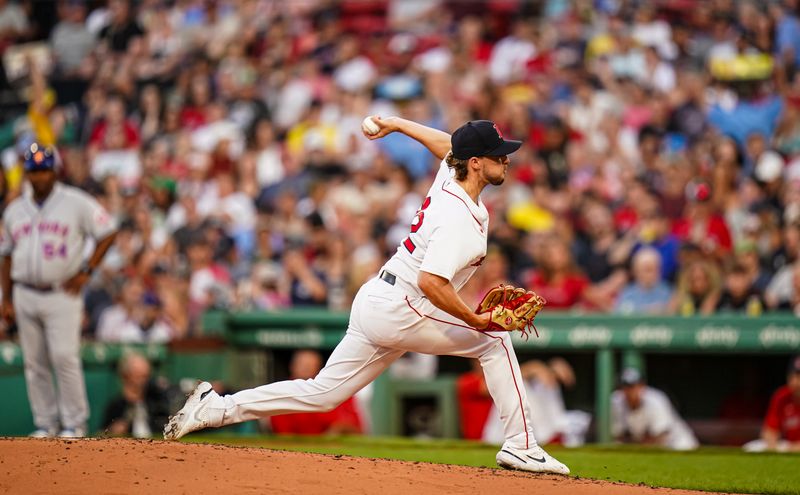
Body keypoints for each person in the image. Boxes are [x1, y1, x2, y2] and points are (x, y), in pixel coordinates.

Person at [164, 117, 570, 475]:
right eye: (499, 155)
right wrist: (475, 320)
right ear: (477, 163)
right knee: (494, 339)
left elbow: (447, 145)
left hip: (379, 298)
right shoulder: (459, 217)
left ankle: (215, 407)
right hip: (405, 305)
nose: (507, 160)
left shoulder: (452, 175)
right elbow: (432, 283)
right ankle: (521, 445)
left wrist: (396, 122)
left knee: (324, 393)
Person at [0, 143, 118, 438]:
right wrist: (7, 297)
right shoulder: (15, 209)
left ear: (54, 171)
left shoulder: (76, 201)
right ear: (26, 174)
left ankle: (74, 424)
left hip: (61, 292)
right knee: (34, 362)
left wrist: (86, 271)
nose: (39, 176)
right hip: (24, 291)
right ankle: (46, 423)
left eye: (43, 170)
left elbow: (108, 231)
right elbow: (6, 256)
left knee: (65, 357)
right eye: (33, 171)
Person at [269, 350, 363, 435]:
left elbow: (356, 427)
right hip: (294, 446)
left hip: (331, 446)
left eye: (310, 365)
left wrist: (340, 428)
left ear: (319, 368)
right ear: (292, 367)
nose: (306, 369)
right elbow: (281, 432)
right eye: (303, 365)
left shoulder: (333, 388)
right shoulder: (284, 390)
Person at [611, 368, 699, 451]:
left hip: (678, 444)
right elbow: (619, 435)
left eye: (633, 386)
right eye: (626, 387)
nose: (630, 391)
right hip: (648, 446)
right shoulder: (616, 401)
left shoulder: (655, 399)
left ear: (642, 386)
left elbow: (661, 435)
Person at [101, 352, 170, 438]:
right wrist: (113, 430)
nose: (143, 381)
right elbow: (101, 434)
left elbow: (164, 425)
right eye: (138, 376)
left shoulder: (155, 400)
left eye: (146, 376)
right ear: (125, 376)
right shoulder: (117, 405)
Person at [746, 355, 800, 452]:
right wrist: (772, 445)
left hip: (793, 447)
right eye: (794, 376)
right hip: (788, 446)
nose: (797, 382)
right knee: (751, 448)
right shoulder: (782, 396)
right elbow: (769, 431)